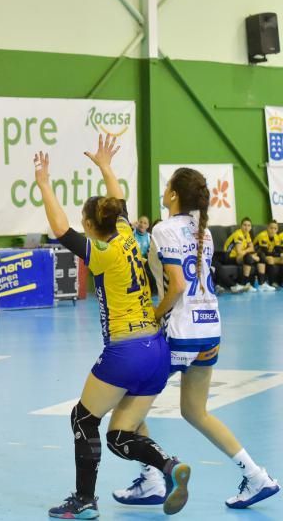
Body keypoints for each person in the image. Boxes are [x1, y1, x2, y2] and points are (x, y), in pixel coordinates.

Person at [36, 135, 190, 519]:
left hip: (126, 352)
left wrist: (43, 184)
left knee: (83, 418)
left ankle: (85, 501)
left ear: (89, 224)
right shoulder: (125, 235)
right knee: (122, 435)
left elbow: (59, 229)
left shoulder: (102, 253)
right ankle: (170, 467)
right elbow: (118, 200)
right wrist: (105, 166)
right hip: (157, 350)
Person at [113, 168, 280, 510]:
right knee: (195, 411)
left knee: (124, 403)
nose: (163, 191)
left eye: (167, 188)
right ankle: (257, 476)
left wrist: (154, 316)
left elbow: (175, 285)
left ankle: (153, 477)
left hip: (179, 333)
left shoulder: (164, 229)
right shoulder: (202, 231)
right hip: (210, 330)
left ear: (174, 194)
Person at [224, 217, 262, 293]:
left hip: (238, 256)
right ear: (241, 226)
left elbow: (252, 248)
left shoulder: (247, 235)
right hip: (228, 256)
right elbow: (239, 252)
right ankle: (243, 284)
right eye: (244, 225)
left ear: (251, 227)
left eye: (248, 225)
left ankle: (261, 283)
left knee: (261, 255)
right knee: (248, 257)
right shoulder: (238, 234)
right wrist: (250, 254)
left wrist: (250, 252)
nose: (246, 227)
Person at [252, 220, 281, 289]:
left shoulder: (276, 237)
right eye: (271, 228)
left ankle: (280, 281)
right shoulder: (263, 235)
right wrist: (278, 255)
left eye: (275, 229)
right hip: (257, 254)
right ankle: (271, 283)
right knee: (270, 259)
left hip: (268, 255)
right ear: (267, 228)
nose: (273, 230)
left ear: (277, 230)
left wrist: (281, 254)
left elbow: (278, 250)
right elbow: (264, 251)